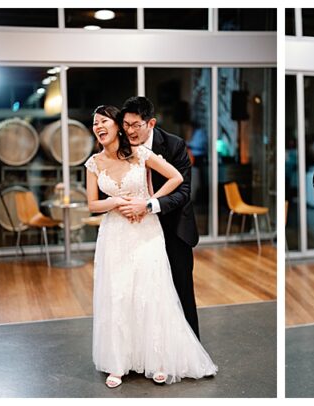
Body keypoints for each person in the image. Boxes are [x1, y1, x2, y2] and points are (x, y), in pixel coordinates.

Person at [85, 105, 216, 388]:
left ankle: (159, 359)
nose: (98, 126)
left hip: (146, 228)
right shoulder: (93, 162)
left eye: (103, 121)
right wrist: (117, 203)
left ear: (117, 126)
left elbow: (178, 179)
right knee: (118, 294)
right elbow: (93, 203)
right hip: (115, 232)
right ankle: (118, 361)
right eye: (94, 123)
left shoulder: (143, 153)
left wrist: (146, 203)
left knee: (152, 291)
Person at [115, 96, 202, 338]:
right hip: (138, 230)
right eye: (125, 124)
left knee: (181, 289)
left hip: (173, 227)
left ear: (151, 123)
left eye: (135, 125)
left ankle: (190, 347)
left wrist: (151, 205)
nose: (129, 131)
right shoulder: (121, 146)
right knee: (143, 292)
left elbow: (184, 192)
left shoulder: (174, 145)